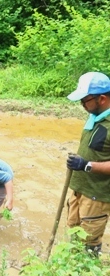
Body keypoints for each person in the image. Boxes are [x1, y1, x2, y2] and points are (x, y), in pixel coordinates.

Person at [65, 71, 110, 254]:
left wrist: (86, 165)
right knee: (73, 231)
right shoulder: (95, 117)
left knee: (89, 240)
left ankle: (86, 275)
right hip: (79, 191)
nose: (82, 105)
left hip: (96, 196)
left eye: (85, 100)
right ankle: (71, 267)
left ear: (102, 98)